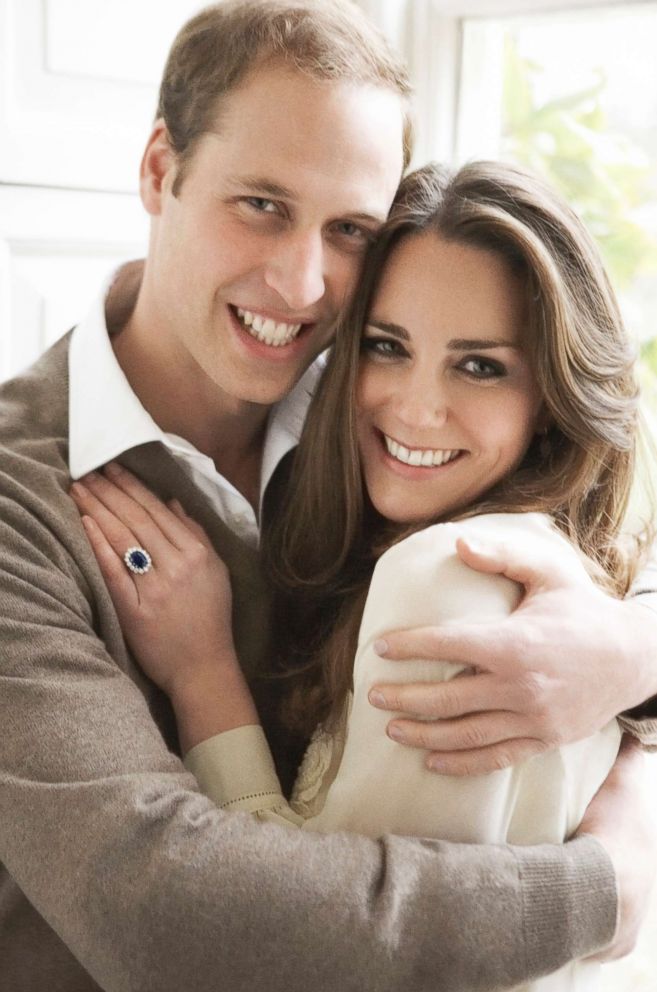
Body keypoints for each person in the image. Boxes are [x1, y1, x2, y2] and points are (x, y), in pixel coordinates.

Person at [0, 2, 656, 989]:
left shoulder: (386, 419)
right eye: (261, 203)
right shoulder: (20, 504)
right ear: (157, 170)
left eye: (350, 227)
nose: (302, 283)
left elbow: (613, 530)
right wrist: (604, 892)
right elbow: (165, 912)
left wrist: (627, 657)